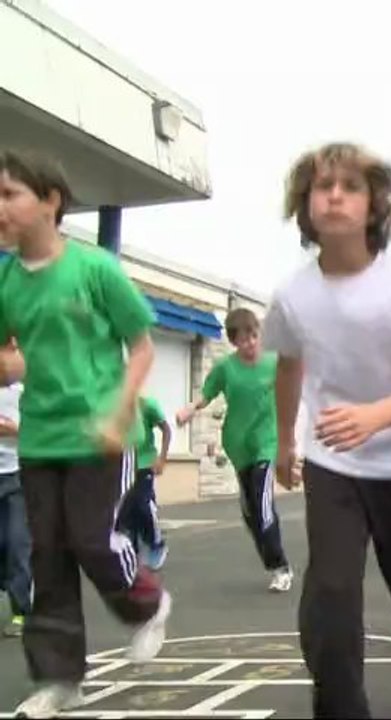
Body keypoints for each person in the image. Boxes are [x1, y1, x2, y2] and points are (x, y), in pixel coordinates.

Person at [263, 141, 391, 717]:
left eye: (350, 186)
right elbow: (288, 365)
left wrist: (373, 417)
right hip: (334, 463)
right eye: (321, 187)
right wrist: (285, 441)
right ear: (303, 207)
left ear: (375, 206)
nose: (333, 196)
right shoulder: (292, 294)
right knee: (330, 595)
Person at [0, 149, 171, 718]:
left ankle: (148, 604)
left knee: (92, 541)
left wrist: (122, 409)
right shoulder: (5, 279)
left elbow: (143, 345)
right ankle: (60, 679)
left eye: (8, 195)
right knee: (46, 558)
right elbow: (11, 355)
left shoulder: (95, 269)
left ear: (49, 201)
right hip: (39, 440)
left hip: (102, 436)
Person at [177, 308, 292, 593]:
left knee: (264, 509)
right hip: (238, 447)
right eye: (242, 340)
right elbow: (207, 394)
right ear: (233, 342)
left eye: (253, 337)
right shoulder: (226, 368)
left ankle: (281, 568)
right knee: (251, 514)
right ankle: (273, 561)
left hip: (266, 443)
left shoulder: (274, 362)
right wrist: (190, 409)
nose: (249, 344)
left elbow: (295, 386)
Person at [121, 396, 172, 570]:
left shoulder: (147, 404)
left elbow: (166, 429)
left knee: (143, 504)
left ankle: (157, 543)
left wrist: (162, 458)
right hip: (123, 466)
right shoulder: (111, 404)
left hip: (145, 464)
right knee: (125, 511)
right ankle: (132, 551)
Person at [0, 364, 30, 639]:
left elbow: (38, 432)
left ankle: (21, 611)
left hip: (17, 477)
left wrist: (13, 429)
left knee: (16, 543)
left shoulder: (22, 394)